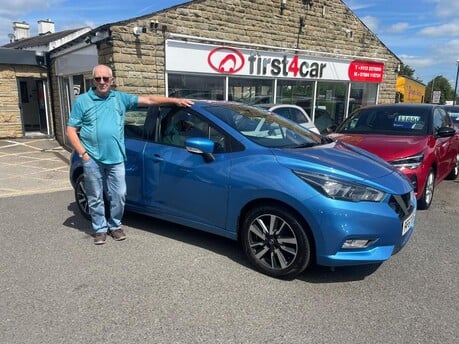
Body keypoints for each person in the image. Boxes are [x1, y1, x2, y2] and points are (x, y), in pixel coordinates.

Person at [66, 64, 193, 245]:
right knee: (94, 196)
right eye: (98, 79)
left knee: (119, 195)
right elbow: (71, 130)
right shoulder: (82, 101)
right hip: (92, 157)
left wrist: (174, 101)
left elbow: (149, 100)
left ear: (112, 80)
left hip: (116, 158)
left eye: (106, 78)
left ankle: (115, 225)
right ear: (92, 80)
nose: (102, 82)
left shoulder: (120, 99)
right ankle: (100, 228)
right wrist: (83, 154)